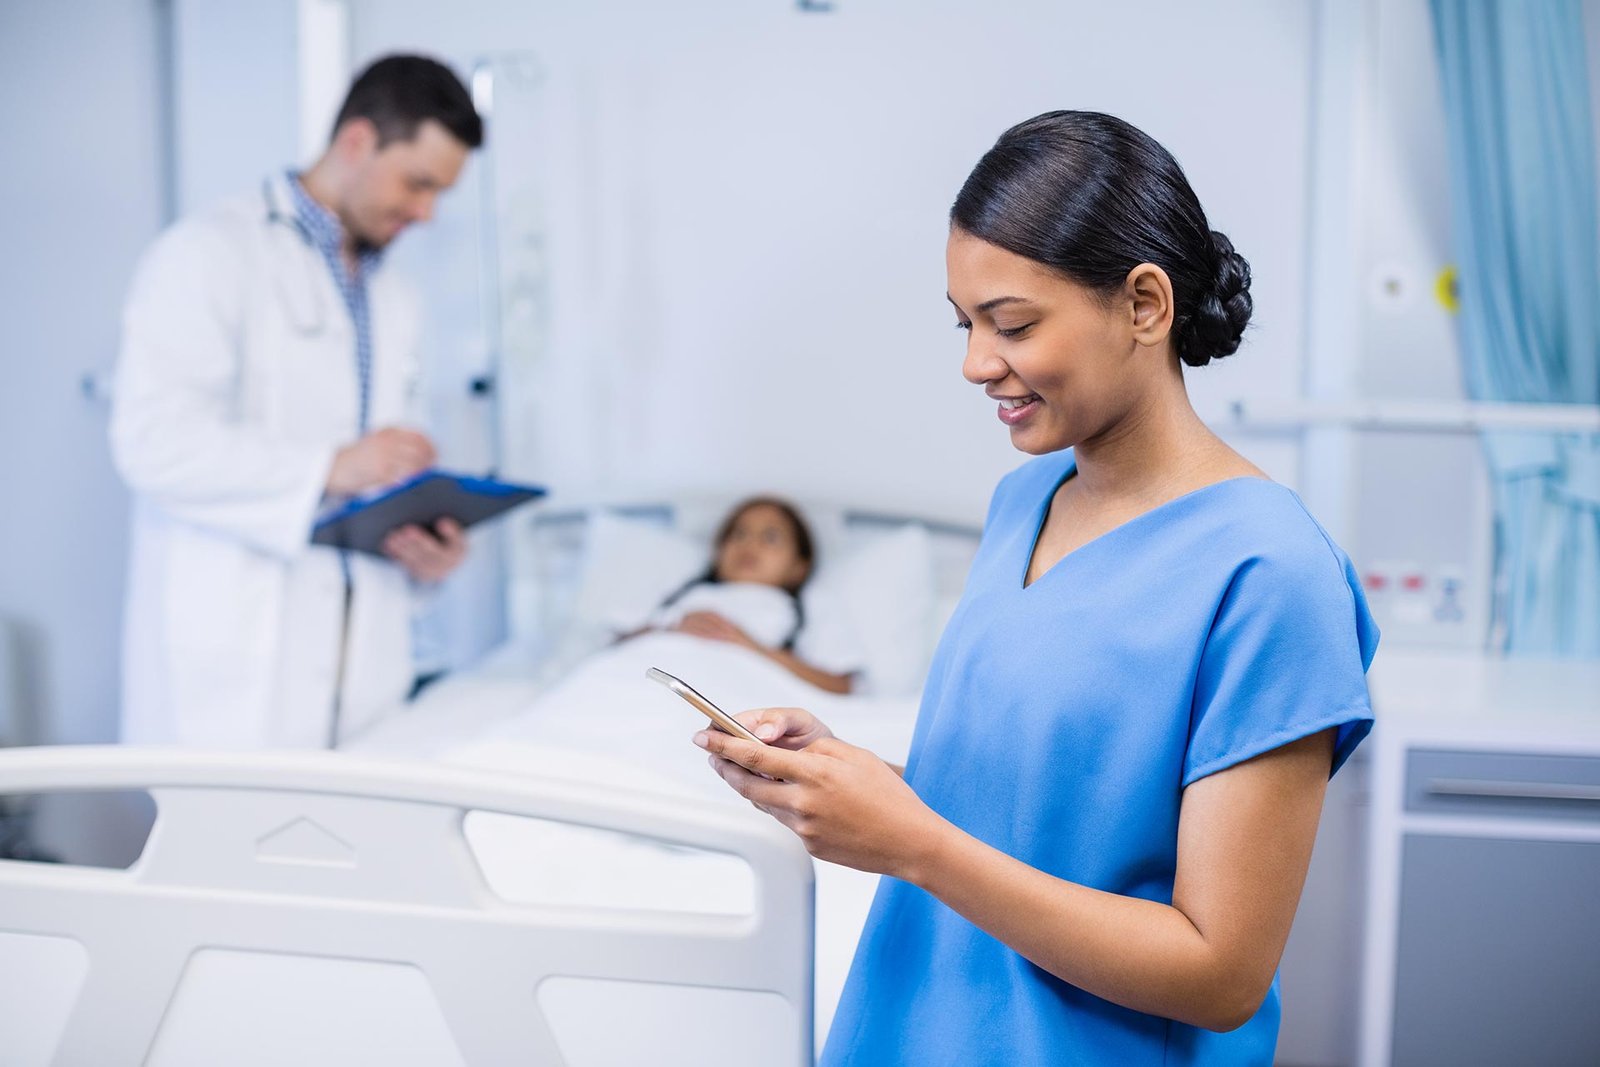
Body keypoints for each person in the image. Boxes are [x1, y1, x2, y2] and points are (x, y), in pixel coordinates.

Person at [695, 111, 1378, 1064]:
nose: (977, 363)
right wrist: (860, 787)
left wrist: (911, 844)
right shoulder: (1024, 502)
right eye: (965, 322)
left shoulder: (1270, 575)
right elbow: (1029, 821)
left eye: (1011, 324)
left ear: (1145, 305)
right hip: (911, 1026)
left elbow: (1220, 972)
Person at [111, 55, 484, 749]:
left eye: (441, 194)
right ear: (357, 142)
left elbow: (384, 462)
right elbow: (152, 441)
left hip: (360, 673)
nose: (427, 212)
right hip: (238, 666)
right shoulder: (208, 253)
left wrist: (424, 542)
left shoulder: (393, 294)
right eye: (418, 182)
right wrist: (332, 465)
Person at [624, 497, 859, 693]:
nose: (750, 545)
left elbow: (840, 686)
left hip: (738, 690)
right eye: (739, 534)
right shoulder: (689, 596)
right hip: (646, 682)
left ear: (799, 566)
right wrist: (672, 628)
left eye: (770, 537)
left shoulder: (809, 606)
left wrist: (752, 648)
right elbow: (619, 648)